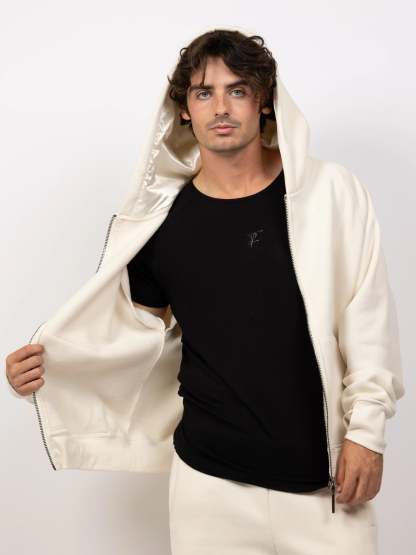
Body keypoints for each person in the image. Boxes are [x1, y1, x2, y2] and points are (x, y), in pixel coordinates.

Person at [5, 29, 405, 554]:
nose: (221, 107)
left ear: (264, 101)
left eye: (237, 90)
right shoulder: (160, 223)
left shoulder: (329, 193)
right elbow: (131, 340)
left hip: (324, 486)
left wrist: (366, 434)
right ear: (184, 109)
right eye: (203, 92)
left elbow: (368, 318)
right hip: (208, 488)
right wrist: (51, 367)